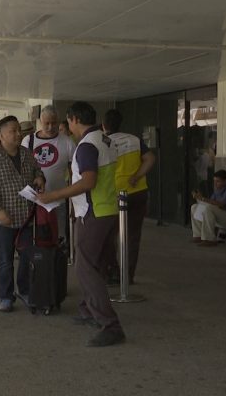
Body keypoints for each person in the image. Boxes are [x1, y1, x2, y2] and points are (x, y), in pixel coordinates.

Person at [37, 101, 125, 347]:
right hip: (107, 210)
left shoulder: (87, 146)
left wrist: (53, 196)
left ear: (74, 119)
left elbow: (88, 182)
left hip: (93, 212)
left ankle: (110, 324)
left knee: (85, 267)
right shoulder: (105, 139)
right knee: (97, 264)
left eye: (68, 122)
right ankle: (89, 309)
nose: (68, 126)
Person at [0, 116, 45, 313]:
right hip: (2, 218)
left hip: (25, 215)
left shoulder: (26, 153)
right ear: (1, 136)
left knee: (26, 256)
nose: (18, 134)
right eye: (13, 131)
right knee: (5, 259)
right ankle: (5, 296)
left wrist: (40, 177)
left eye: (19, 130)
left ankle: (24, 290)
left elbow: (37, 170)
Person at [102, 109, 156, 282]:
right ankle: (128, 276)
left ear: (104, 125)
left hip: (115, 194)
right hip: (138, 192)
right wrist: (136, 176)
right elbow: (150, 159)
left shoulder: (104, 141)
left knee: (108, 235)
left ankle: (113, 272)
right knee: (133, 236)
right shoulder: (134, 139)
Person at [21, 106, 77, 243]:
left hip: (59, 200)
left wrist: (74, 201)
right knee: (33, 235)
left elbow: (74, 173)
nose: (51, 126)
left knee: (58, 236)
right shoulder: (28, 141)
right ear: (40, 121)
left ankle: (56, 259)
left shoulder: (68, 142)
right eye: (47, 123)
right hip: (32, 200)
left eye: (54, 123)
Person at [191, 170, 226, 247]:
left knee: (209, 208)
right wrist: (200, 198)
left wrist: (204, 199)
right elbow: (210, 202)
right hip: (218, 215)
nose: (215, 184)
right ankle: (198, 235)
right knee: (194, 207)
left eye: (218, 181)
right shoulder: (217, 190)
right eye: (214, 181)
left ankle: (209, 239)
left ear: (225, 181)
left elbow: (221, 204)